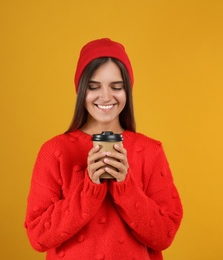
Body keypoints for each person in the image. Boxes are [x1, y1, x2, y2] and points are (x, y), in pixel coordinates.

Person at [24, 38, 183, 260]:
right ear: (81, 91)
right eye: (94, 87)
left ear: (127, 90)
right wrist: (89, 188)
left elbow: (164, 235)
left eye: (116, 87)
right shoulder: (54, 151)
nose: (106, 96)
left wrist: (126, 186)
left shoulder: (150, 151)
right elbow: (38, 236)